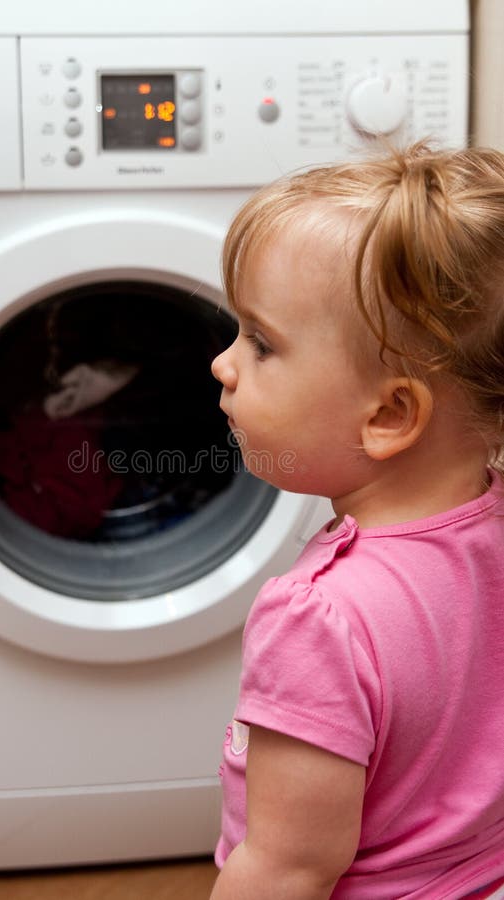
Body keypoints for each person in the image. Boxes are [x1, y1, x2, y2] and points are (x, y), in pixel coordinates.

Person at [209, 141, 504, 899]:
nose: (224, 363)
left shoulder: (319, 621)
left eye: (262, 342)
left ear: (388, 415)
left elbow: (285, 869)